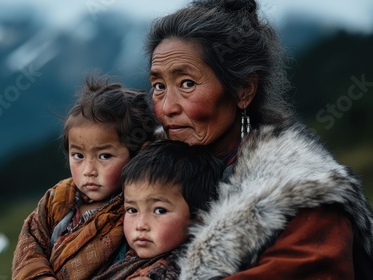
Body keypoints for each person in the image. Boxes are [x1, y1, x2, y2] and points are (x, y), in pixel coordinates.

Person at [145, 0, 373, 279]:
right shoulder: (138, 171)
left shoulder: (307, 201)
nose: (167, 107)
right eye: (158, 86)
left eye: (187, 84)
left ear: (244, 90)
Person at [12, 75, 159, 280]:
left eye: (104, 156)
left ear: (139, 155)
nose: (89, 170)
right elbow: (31, 243)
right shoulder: (57, 199)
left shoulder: (136, 211)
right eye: (78, 156)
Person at [94, 140, 224, 280]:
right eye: (132, 210)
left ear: (198, 217)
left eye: (159, 211)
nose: (140, 225)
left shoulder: (169, 271)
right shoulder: (121, 255)